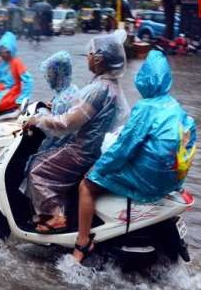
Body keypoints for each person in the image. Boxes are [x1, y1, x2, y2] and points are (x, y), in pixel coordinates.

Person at [73, 49, 197, 263]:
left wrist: (99, 169)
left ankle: (82, 243)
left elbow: (124, 147)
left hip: (147, 180)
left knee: (86, 186)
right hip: (170, 180)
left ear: (146, 79)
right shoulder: (174, 106)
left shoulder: (146, 107)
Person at [22, 31, 130, 233]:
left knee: (36, 168)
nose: (88, 58)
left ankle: (56, 216)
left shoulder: (97, 89)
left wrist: (38, 119)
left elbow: (67, 123)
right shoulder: (113, 87)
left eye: (90, 54)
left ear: (99, 59)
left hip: (82, 151)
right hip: (97, 150)